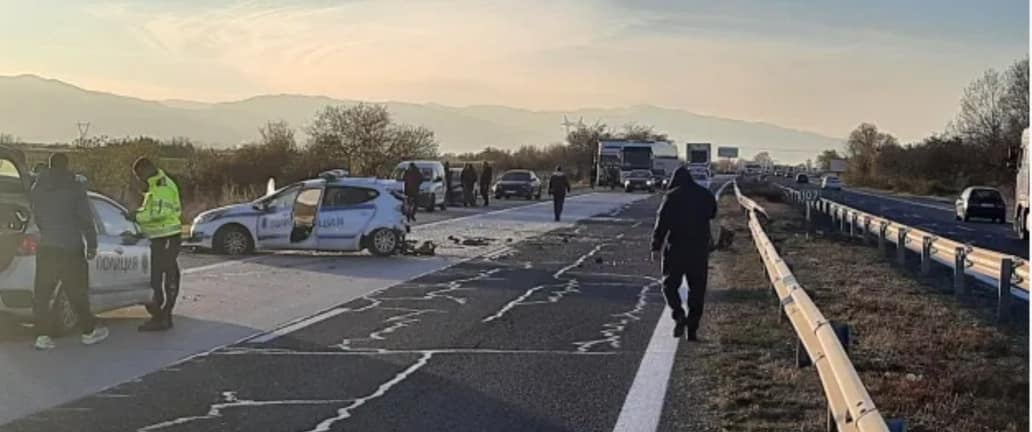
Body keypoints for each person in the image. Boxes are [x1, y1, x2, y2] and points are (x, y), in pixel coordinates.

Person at [30, 153, 108, 350]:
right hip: (70, 247)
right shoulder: (74, 187)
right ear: (66, 165)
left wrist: (46, 231)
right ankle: (88, 331)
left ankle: (42, 336)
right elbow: (84, 217)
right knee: (77, 291)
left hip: (47, 246)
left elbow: (36, 214)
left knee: (42, 293)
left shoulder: (37, 188)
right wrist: (92, 243)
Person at [651, 166, 717, 341]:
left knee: (669, 285)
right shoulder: (705, 195)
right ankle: (692, 329)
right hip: (699, 249)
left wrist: (656, 246)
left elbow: (662, 222)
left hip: (676, 248)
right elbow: (713, 213)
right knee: (697, 289)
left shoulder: (671, 196)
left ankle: (678, 314)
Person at [130, 158, 183, 332]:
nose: (139, 179)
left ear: (147, 170)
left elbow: (159, 213)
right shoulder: (156, 185)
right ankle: (161, 316)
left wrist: (136, 217)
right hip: (160, 237)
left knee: (164, 277)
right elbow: (152, 211)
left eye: (139, 175)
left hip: (166, 236)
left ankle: (163, 317)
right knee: (158, 276)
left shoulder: (162, 187)